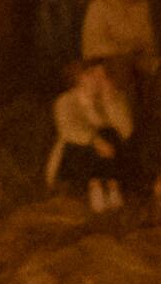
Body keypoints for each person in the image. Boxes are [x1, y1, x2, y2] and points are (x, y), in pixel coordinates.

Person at [50, 56, 137, 207]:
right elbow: (69, 129)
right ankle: (96, 186)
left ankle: (111, 187)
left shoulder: (112, 99)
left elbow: (126, 131)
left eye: (103, 76)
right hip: (74, 159)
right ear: (80, 78)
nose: (98, 80)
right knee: (99, 136)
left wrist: (110, 101)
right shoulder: (66, 101)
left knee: (109, 133)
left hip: (108, 160)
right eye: (92, 74)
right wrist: (96, 141)